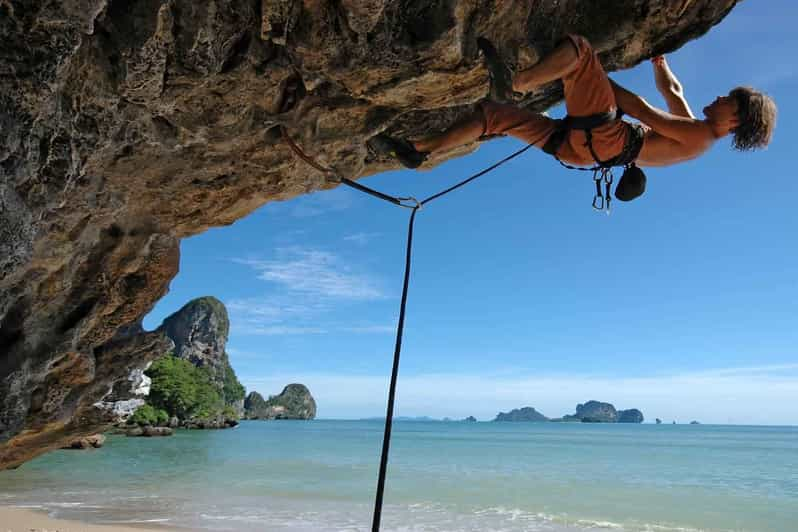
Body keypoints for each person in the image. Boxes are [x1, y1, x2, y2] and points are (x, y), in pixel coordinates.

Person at [368, 35, 776, 201]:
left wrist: (595, 79)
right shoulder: (694, 131)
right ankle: (418, 151)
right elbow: (672, 93)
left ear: (736, 120)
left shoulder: (702, 137)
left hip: (608, 140)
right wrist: (658, 59)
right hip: (582, 151)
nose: (720, 96)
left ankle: (518, 81)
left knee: (580, 51)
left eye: (729, 100)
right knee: (495, 117)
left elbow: (641, 110)